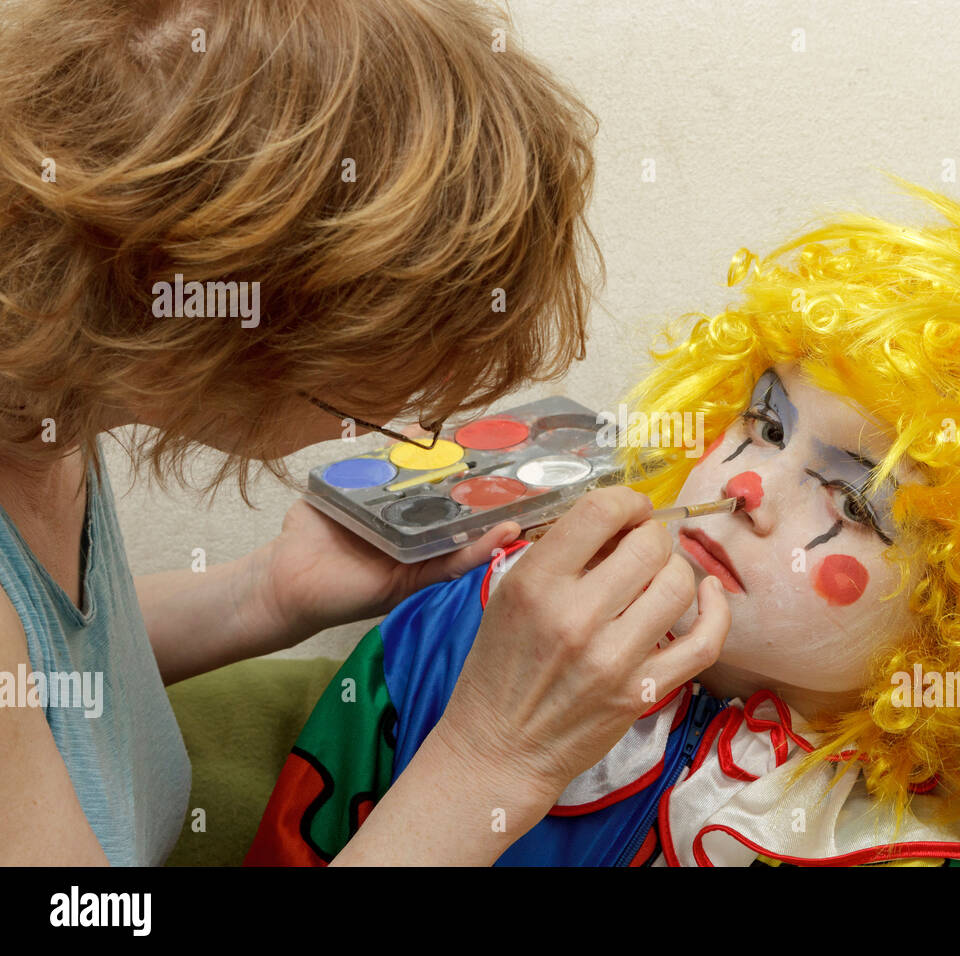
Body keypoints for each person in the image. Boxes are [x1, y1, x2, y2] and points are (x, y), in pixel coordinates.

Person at [247, 181, 960, 866]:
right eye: (763, 420)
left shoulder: (907, 855)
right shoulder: (478, 623)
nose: (746, 484)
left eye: (851, 497)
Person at [0, 0, 729, 866]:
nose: (415, 409)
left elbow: (49, 688)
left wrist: (265, 595)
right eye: (397, 362)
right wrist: (493, 756)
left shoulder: (41, 403)